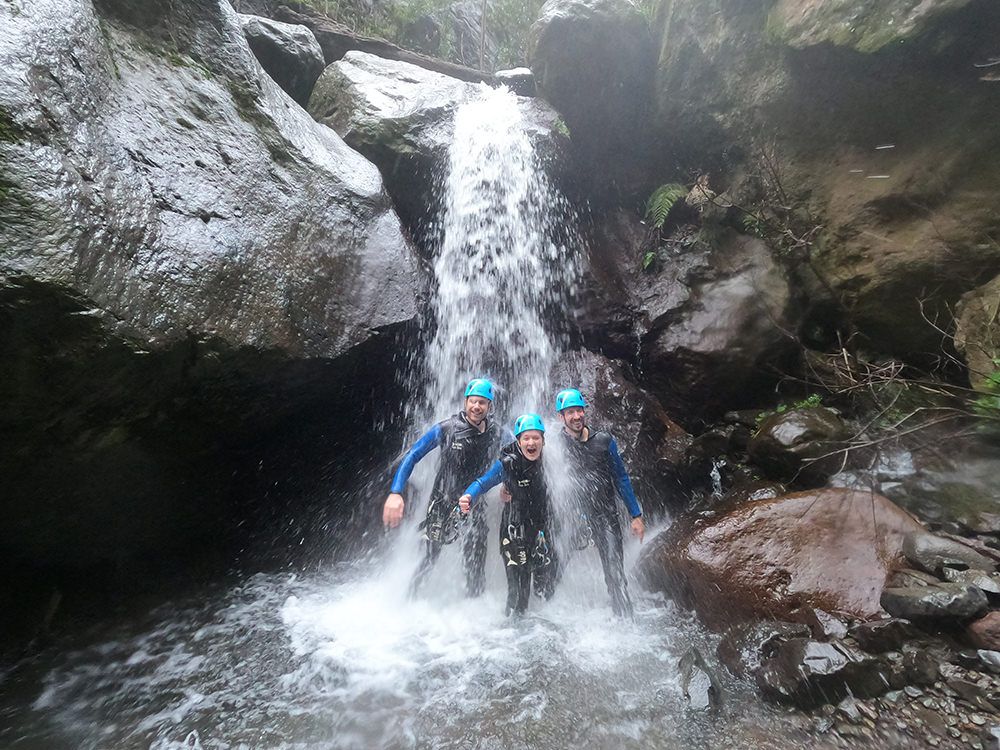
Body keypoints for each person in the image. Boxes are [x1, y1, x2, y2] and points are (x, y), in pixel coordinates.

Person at [383, 378, 502, 597]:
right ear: (465, 402)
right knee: (428, 559)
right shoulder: (447, 429)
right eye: (473, 401)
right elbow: (413, 455)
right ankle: (409, 601)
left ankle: (473, 608)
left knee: (476, 564)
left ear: (490, 406)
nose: (477, 406)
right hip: (442, 502)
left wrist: (509, 485)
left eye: (482, 402)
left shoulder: (497, 432)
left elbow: (516, 455)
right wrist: (395, 492)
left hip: (474, 504)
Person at [555, 388, 645, 618]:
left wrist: (636, 515)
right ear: (561, 417)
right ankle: (543, 619)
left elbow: (621, 478)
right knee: (554, 568)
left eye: (579, 410)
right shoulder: (554, 445)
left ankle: (625, 621)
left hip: (605, 516)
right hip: (573, 518)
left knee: (615, 572)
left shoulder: (604, 441)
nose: (577, 416)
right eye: (570, 412)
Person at [459, 414, 558, 617]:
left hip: (540, 530)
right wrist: (468, 495)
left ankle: (535, 628)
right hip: (514, 531)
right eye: (526, 438)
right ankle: (510, 630)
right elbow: (483, 482)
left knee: (540, 589)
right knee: (517, 591)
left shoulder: (550, 462)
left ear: (543, 441)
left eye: (536, 438)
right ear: (518, 442)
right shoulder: (508, 463)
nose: (531, 443)